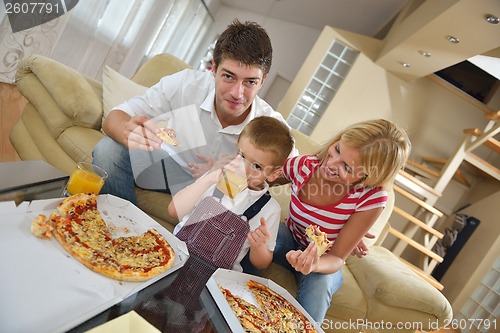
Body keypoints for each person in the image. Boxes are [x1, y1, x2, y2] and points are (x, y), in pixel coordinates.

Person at [92, 19, 294, 205]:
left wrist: (246, 172)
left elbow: (291, 173)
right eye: (229, 77)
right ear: (213, 68)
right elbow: (114, 117)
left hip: (219, 189)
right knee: (108, 150)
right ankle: (117, 225)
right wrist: (128, 132)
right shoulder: (186, 84)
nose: (237, 93)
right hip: (169, 167)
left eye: (250, 82)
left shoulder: (270, 123)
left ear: (263, 81)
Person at [269, 119, 411, 323]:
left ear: (369, 177)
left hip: (323, 262)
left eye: (347, 167)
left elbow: (336, 258)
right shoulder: (306, 166)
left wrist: (313, 264)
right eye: (337, 150)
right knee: (260, 231)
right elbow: (260, 178)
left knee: (321, 284)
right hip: (288, 238)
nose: (330, 164)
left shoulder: (371, 198)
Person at [168, 116, 295, 272]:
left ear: (274, 174)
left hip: (214, 277)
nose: (244, 168)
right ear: (237, 148)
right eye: (242, 156)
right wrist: (209, 179)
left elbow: (261, 263)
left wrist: (259, 246)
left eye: (256, 166)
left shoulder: (269, 209)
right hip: (175, 255)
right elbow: (173, 210)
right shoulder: (214, 178)